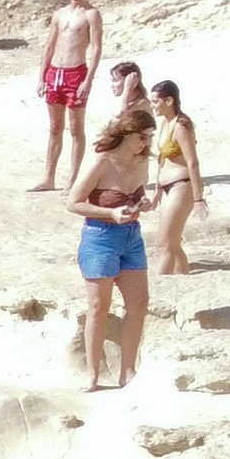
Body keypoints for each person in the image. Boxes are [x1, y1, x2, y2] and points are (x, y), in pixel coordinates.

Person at [70, 105, 160, 392]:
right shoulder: (103, 162)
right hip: (100, 237)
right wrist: (110, 213)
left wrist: (142, 202)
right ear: (127, 134)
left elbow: (138, 191)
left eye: (150, 137)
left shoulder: (141, 162)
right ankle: (92, 374)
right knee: (99, 307)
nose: (146, 143)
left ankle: (128, 371)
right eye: (143, 137)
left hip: (131, 236)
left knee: (139, 304)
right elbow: (73, 202)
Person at [34, 0, 108, 192]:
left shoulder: (91, 14)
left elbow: (96, 49)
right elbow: (49, 46)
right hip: (55, 72)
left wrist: (88, 80)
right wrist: (41, 77)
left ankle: (72, 180)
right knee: (55, 128)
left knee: (76, 129)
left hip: (76, 73)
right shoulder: (59, 14)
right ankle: (49, 178)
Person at [148, 79, 203, 276]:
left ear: (169, 101)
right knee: (173, 243)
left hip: (182, 186)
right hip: (168, 187)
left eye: (156, 102)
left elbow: (192, 162)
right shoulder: (165, 123)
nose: (152, 106)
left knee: (164, 244)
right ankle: (183, 279)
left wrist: (198, 197)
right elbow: (162, 159)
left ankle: (159, 283)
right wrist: (157, 188)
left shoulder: (181, 126)